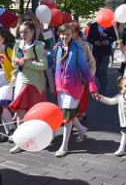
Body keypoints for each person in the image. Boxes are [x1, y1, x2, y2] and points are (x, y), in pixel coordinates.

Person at [48, 24, 98, 157]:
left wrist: (92, 88)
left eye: (68, 34)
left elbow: (86, 70)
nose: (65, 37)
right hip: (60, 88)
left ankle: (64, 146)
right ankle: (81, 130)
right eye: (63, 34)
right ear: (59, 34)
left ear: (73, 35)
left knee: (67, 118)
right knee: (67, 114)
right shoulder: (57, 48)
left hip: (74, 88)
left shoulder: (77, 49)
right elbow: (50, 63)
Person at [9, 21, 49, 154]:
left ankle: (43, 136)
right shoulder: (17, 45)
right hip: (20, 81)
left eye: (25, 32)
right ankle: (20, 142)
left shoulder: (38, 46)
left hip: (33, 83)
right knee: (20, 112)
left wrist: (26, 63)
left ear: (33, 32)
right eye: (21, 32)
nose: (23, 35)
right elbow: (14, 64)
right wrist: (16, 63)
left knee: (37, 113)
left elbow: (44, 65)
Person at [69, 21, 96, 122]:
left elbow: (91, 61)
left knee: (81, 98)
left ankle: (80, 114)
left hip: (81, 77)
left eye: (72, 32)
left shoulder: (84, 44)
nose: (70, 34)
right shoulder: (63, 44)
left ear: (76, 32)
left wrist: (89, 75)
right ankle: (79, 115)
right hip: (69, 78)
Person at [87, 21, 117, 94]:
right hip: (96, 51)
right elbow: (89, 38)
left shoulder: (108, 25)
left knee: (104, 70)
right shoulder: (93, 25)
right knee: (96, 70)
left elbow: (114, 37)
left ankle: (102, 89)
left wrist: (107, 41)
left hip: (106, 51)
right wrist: (94, 42)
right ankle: (103, 81)